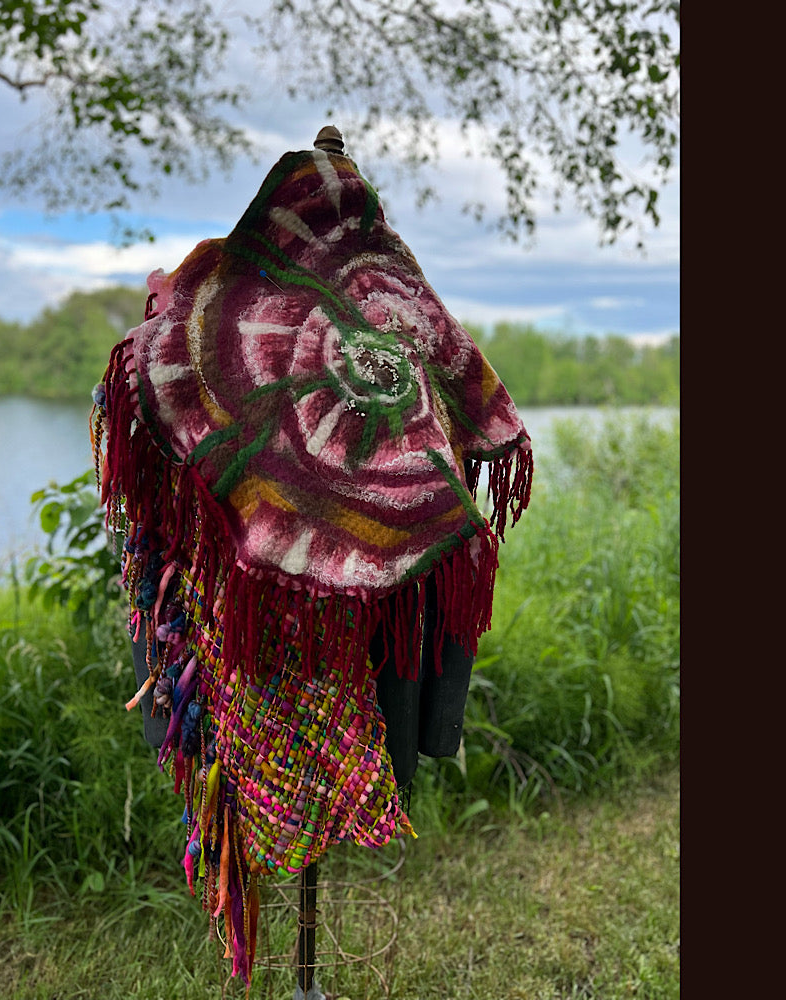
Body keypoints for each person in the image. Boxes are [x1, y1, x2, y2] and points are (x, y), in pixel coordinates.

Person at [91, 126, 532, 988]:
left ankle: (304, 964)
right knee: (261, 755)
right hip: (257, 613)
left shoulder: (383, 315)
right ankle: (296, 962)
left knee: (328, 748)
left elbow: (460, 425)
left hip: (347, 625)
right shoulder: (233, 310)